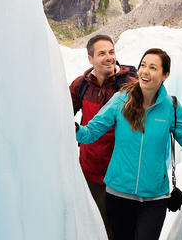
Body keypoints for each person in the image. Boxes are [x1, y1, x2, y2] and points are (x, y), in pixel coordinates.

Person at [76, 48, 182, 240]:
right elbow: (90, 133)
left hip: (155, 198)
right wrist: (74, 129)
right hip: (118, 194)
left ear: (165, 75)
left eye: (153, 67)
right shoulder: (121, 100)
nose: (145, 71)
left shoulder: (170, 106)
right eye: (143, 65)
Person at [70, 34, 137, 239]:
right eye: (102, 53)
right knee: (96, 228)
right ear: (90, 59)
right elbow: (61, 116)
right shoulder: (81, 86)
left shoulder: (130, 86)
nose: (109, 57)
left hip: (121, 175)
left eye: (111, 52)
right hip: (91, 172)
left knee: (122, 230)